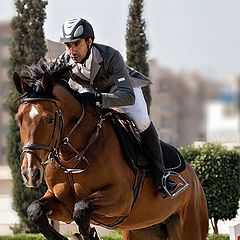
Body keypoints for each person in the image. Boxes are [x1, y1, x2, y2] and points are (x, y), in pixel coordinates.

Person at [56, 18, 186, 198]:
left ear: (89, 41)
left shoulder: (111, 56)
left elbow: (127, 97)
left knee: (141, 121)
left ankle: (161, 176)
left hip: (124, 89)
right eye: (68, 45)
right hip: (95, 91)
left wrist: (97, 98)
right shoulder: (65, 60)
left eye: (76, 44)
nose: (72, 50)